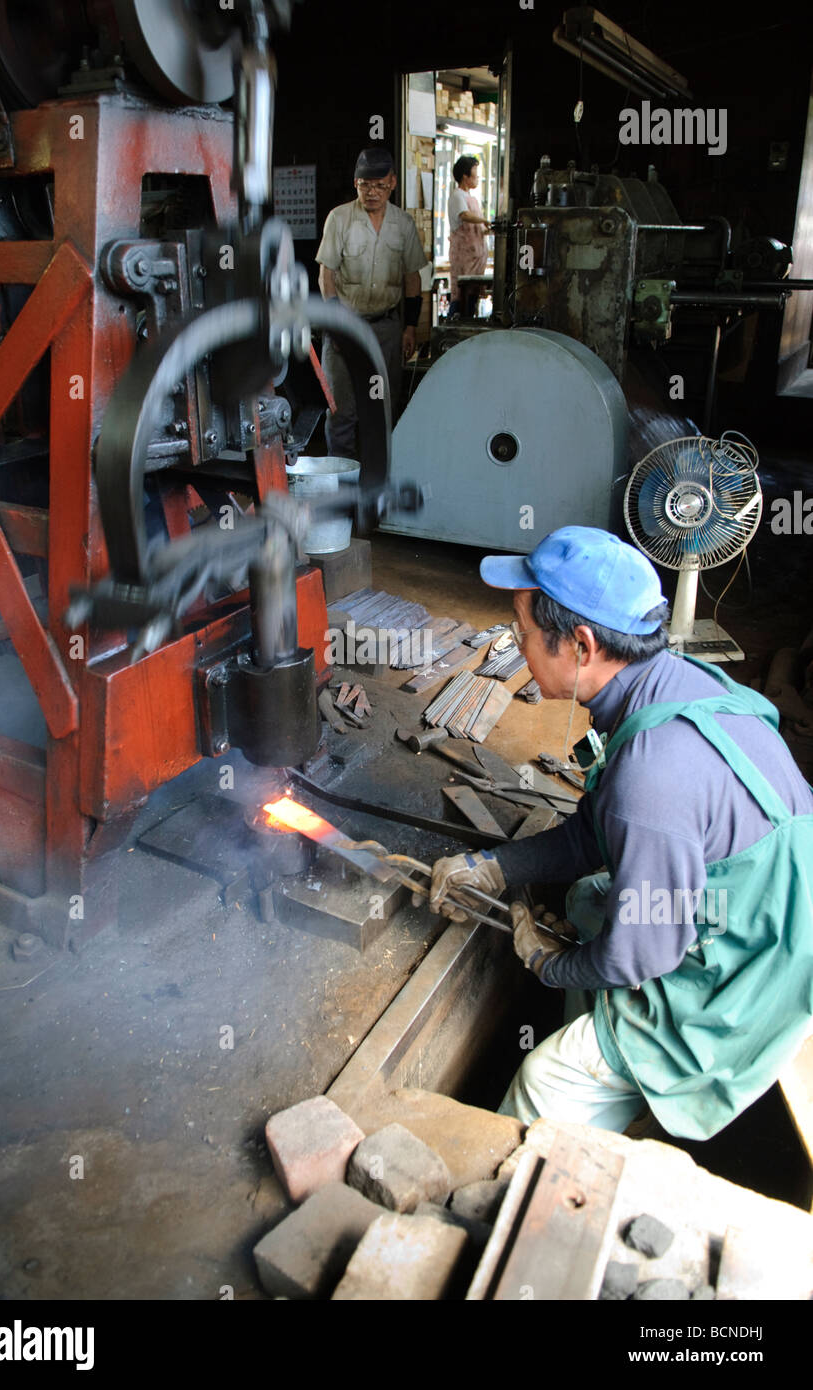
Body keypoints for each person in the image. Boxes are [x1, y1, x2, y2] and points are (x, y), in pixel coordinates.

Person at [429, 526, 813, 1141]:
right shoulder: (672, 682)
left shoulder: (650, 776)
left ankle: (589, 1111)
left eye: (522, 633)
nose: (516, 643)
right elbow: (598, 834)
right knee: (585, 899)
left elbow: (646, 951)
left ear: (579, 644)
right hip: (765, 901)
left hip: (759, 968)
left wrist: (548, 964)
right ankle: (609, 1058)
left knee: (544, 1081)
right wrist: (496, 866)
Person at [315, 147, 428, 460]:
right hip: (346, 327)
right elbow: (327, 276)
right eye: (365, 185)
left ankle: (377, 484)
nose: (372, 192)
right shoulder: (339, 219)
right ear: (356, 184)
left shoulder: (403, 224)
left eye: (379, 185)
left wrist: (409, 328)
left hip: (387, 330)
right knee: (341, 412)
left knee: (382, 412)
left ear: (392, 182)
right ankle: (343, 485)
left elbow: (412, 278)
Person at [446, 155, 491, 319]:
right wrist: (484, 220)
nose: (478, 178)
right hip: (464, 259)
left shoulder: (472, 198)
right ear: (465, 176)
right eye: (475, 174)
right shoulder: (457, 196)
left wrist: (489, 229)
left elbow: (477, 228)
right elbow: (464, 215)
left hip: (475, 258)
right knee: (461, 297)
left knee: (471, 298)